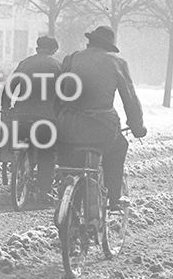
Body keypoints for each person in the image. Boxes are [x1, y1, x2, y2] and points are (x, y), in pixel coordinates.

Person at [56, 25, 147, 214]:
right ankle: (114, 198)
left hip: (69, 126)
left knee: (70, 163)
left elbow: (57, 93)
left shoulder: (71, 59)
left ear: (90, 42)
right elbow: (129, 98)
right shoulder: (117, 62)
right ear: (109, 45)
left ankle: (66, 196)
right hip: (101, 127)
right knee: (119, 147)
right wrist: (137, 126)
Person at [1, 35, 62, 201]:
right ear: (54, 50)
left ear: (37, 48)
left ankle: (20, 166)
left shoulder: (25, 64)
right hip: (46, 117)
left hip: (22, 114)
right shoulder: (58, 66)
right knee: (46, 153)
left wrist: (6, 107)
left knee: (22, 141)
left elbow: (10, 87)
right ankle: (44, 191)